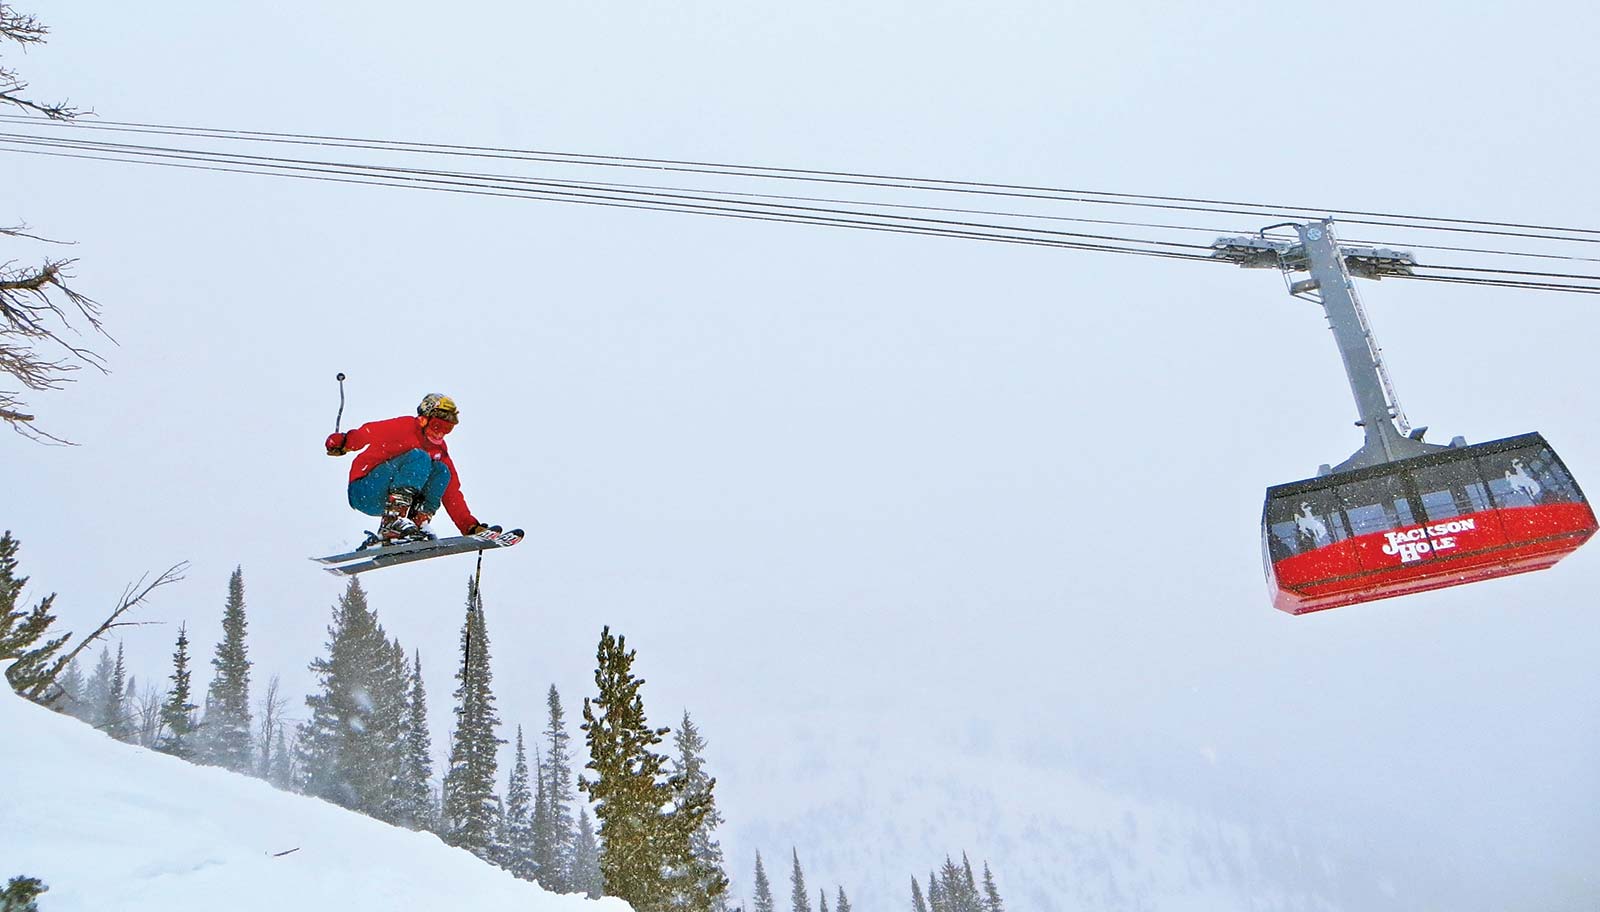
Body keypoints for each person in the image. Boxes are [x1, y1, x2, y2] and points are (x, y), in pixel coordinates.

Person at [324, 393, 496, 543]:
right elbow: (369, 432)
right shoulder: (406, 427)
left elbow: (452, 494)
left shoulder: (439, 450)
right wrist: (344, 443)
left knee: (442, 471)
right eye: (437, 426)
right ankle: (392, 522)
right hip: (365, 489)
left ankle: (417, 525)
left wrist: (469, 526)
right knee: (420, 457)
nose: (440, 433)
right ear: (423, 419)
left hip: (385, 498)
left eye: (447, 429)